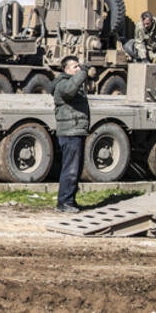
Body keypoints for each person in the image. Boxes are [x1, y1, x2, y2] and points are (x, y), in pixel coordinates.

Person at [51, 55, 90, 213]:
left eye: (79, 66)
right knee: (71, 169)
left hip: (76, 130)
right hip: (70, 132)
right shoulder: (62, 84)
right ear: (66, 70)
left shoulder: (71, 83)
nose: (78, 69)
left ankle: (69, 201)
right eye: (75, 67)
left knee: (76, 168)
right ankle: (64, 202)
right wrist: (83, 73)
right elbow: (69, 91)